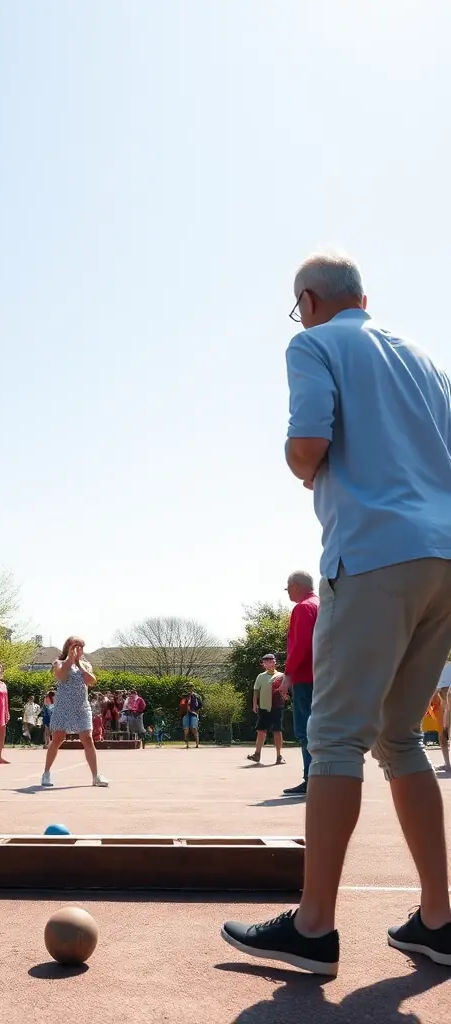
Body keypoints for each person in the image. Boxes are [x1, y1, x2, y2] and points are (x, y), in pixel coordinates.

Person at [222, 251, 451, 975]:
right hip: (444, 554)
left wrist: (300, 462)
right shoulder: (426, 360)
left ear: (312, 300)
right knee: (399, 735)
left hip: (376, 549)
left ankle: (314, 927)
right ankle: (440, 918)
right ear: (366, 296)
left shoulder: (314, 343)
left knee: (337, 736)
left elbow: (308, 448)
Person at [41, 636, 109, 788]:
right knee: (58, 738)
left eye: (80, 648)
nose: (78, 650)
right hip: (63, 707)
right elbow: (62, 676)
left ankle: (95, 776)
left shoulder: (85, 664)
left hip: (81, 707)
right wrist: (69, 661)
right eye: (75, 647)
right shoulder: (58, 663)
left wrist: (78, 663)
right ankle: (46, 773)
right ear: (68, 648)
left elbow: (91, 681)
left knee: (88, 738)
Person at [281, 571, 320, 796]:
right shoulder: (321, 604)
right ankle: (323, 776)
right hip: (323, 675)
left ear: (296, 586)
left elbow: (300, 645)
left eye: (287, 587)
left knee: (306, 730)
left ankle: (311, 778)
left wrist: (288, 674)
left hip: (306, 677)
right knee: (320, 728)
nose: (287, 592)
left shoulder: (303, 607)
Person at [246, 655, 285, 765]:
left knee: (277, 731)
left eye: (270, 661)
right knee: (261, 731)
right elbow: (256, 691)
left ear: (274, 662)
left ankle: (279, 756)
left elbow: (286, 690)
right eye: (265, 662)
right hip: (264, 707)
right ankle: (257, 754)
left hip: (277, 706)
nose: (268, 663)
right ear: (263, 664)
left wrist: (286, 695)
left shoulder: (281, 676)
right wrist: (254, 704)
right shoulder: (261, 676)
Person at [434, 663, 451, 773]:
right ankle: (447, 765)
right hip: (446, 709)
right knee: (443, 736)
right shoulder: (445, 667)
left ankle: (448, 765)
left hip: (447, 710)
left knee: (444, 735)